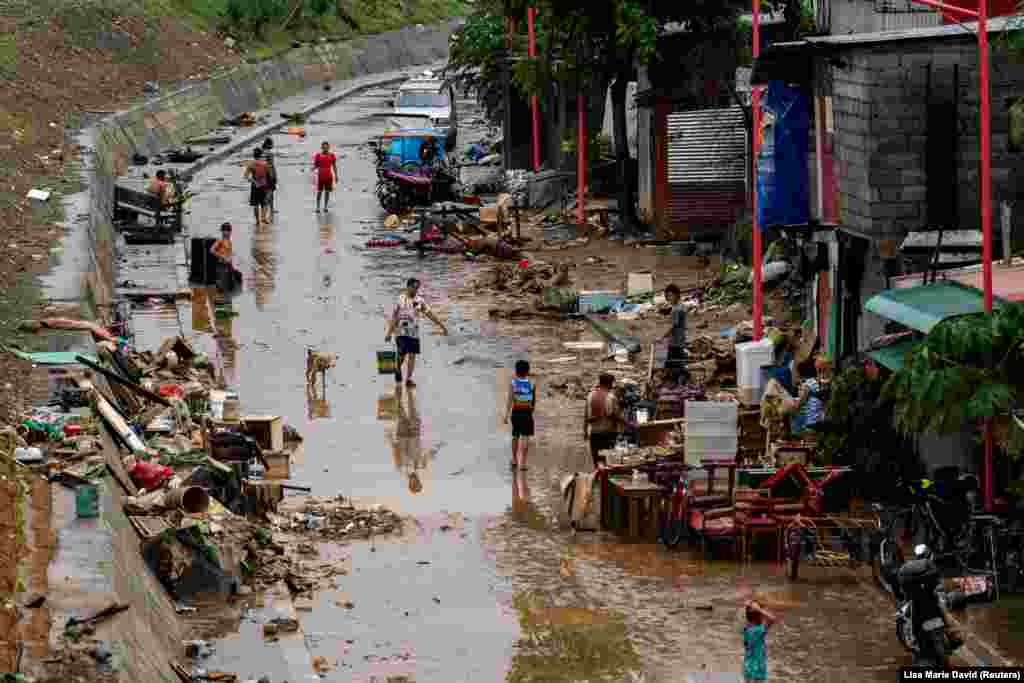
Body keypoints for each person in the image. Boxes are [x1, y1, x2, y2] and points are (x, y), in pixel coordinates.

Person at [384, 278, 449, 387]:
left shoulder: (420, 301)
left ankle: (408, 379)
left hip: (414, 332)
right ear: (408, 287)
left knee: (412, 355)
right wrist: (389, 333)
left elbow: (430, 314)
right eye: (414, 287)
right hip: (400, 331)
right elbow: (394, 316)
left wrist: (442, 326)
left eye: (417, 288)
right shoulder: (400, 298)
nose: (416, 290)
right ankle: (396, 367)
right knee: (402, 352)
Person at [584, 373, 624, 468]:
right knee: (608, 462)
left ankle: (597, 479)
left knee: (596, 461)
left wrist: (585, 431)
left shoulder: (590, 396)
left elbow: (585, 415)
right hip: (608, 434)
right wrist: (626, 424)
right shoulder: (611, 397)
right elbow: (615, 415)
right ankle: (605, 481)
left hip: (594, 434)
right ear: (609, 384)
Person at [504, 360, 536, 470]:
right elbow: (533, 401)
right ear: (528, 371)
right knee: (526, 437)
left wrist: (506, 415)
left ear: (516, 371)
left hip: (516, 411)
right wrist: (531, 411)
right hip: (527, 412)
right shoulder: (532, 384)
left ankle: (514, 459)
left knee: (515, 435)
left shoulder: (513, 383)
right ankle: (523, 463)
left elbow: (510, 400)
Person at [743, 601, 777, 682]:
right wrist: (759, 610)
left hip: (748, 664)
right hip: (758, 665)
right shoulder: (758, 630)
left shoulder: (747, 628)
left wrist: (753, 608)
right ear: (759, 616)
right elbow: (772, 619)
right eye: (761, 615)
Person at [663, 284, 689, 383]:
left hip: (675, 340)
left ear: (677, 295)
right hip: (681, 337)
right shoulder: (682, 306)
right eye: (668, 296)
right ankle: (681, 376)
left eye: (671, 295)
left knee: (673, 361)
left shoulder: (676, 309)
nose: (670, 298)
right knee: (678, 359)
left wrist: (663, 336)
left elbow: (673, 326)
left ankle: (677, 379)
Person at [243, 147, 272, 225]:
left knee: (255, 204)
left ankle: (257, 221)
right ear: (261, 155)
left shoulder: (251, 164)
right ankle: (263, 217)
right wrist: (270, 187)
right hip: (264, 185)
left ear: (254, 155)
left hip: (255, 186)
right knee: (265, 203)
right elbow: (269, 176)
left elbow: (245, 176)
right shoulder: (265, 164)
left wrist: (253, 181)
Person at [210, 222, 240, 294]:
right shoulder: (220, 240)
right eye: (225, 231)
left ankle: (226, 300)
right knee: (221, 284)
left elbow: (228, 252)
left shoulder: (229, 241)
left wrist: (231, 257)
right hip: (221, 265)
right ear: (222, 232)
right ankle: (220, 299)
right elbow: (212, 250)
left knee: (229, 284)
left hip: (228, 265)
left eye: (229, 231)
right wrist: (221, 256)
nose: (227, 233)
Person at [312, 141, 338, 213]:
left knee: (327, 192)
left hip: (329, 176)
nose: (325, 148)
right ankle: (317, 207)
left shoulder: (332, 155)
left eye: (326, 147)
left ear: (329, 147)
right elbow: (315, 165)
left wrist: (336, 176)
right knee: (319, 192)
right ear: (321, 148)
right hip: (320, 176)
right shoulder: (318, 155)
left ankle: (325, 207)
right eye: (323, 147)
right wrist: (313, 170)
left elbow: (334, 166)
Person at [261, 138, 278, 215]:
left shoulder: (261, 153)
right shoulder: (270, 154)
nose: (273, 145)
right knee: (270, 193)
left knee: (266, 193)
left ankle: (269, 209)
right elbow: (271, 166)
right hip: (270, 175)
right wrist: (274, 176)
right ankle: (270, 209)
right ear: (268, 144)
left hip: (263, 175)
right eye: (272, 144)